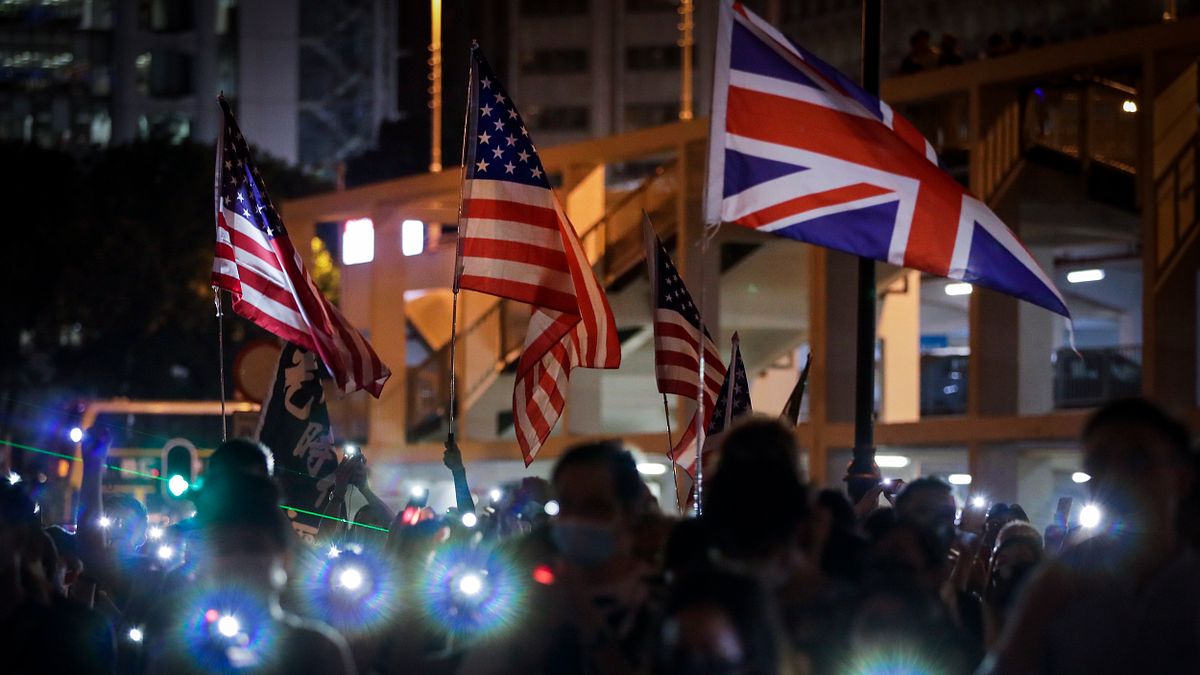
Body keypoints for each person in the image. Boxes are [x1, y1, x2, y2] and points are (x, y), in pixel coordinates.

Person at [982, 398, 1200, 674]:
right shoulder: (1057, 584)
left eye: (1137, 461)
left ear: (1181, 477)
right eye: (1099, 463)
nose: (1114, 477)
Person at [458, 440, 663, 674]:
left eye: (595, 507)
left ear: (628, 513)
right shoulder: (527, 595)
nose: (576, 519)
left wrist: (586, 617)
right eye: (567, 505)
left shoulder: (660, 600)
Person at [145, 473, 356, 674]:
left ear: (284, 559)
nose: (239, 560)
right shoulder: (178, 657)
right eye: (226, 548)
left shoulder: (318, 651)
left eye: (253, 547)